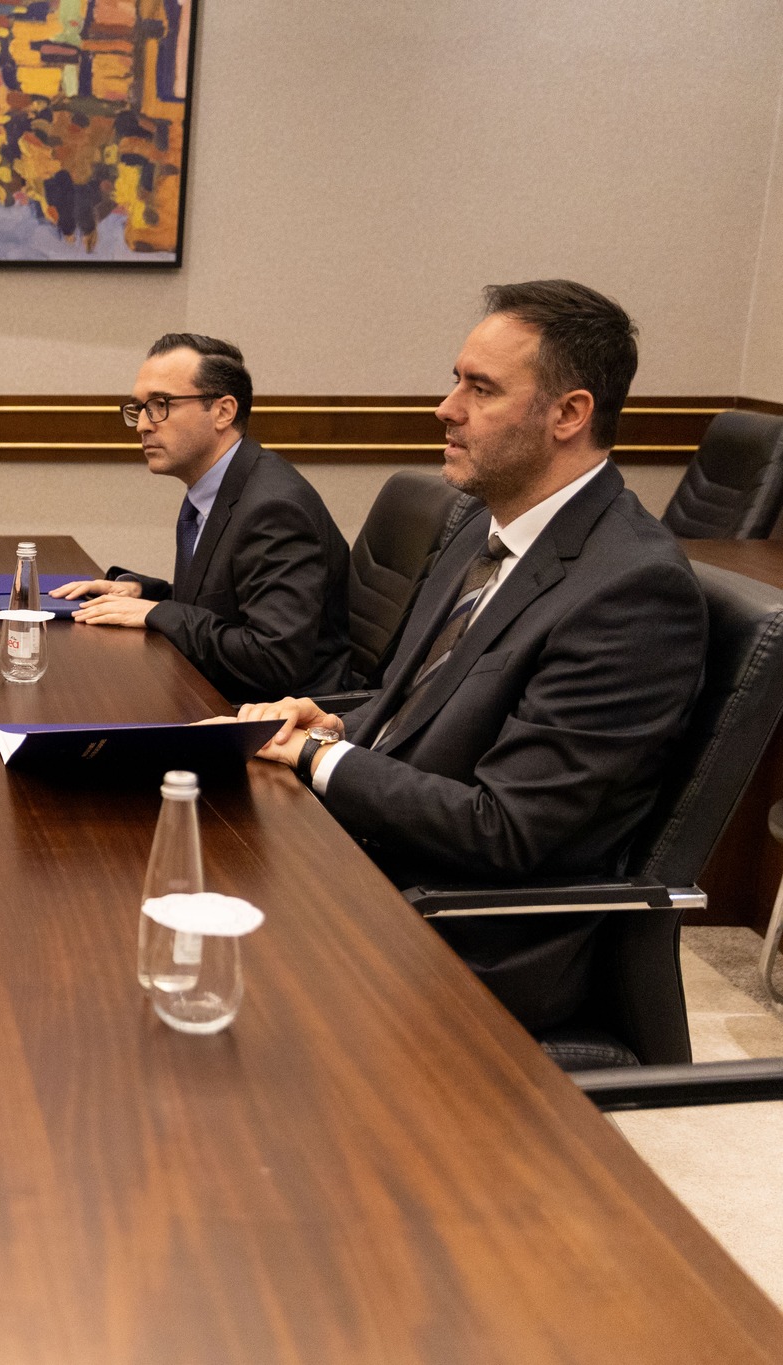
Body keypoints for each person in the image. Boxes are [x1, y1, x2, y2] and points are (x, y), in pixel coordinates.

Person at [236, 280, 706, 1031]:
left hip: (465, 942)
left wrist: (321, 758)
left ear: (569, 414)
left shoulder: (633, 591)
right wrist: (332, 720)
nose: (446, 408)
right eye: (456, 380)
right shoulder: (477, 528)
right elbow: (425, 701)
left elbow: (506, 828)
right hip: (373, 864)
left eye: (480, 389)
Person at [50, 334, 351, 702]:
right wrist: (144, 593)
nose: (142, 424)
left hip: (269, 715)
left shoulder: (273, 509)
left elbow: (273, 659)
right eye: (139, 408)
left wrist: (159, 613)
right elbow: (226, 607)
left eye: (160, 405)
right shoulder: (217, 487)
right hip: (214, 691)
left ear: (223, 412)